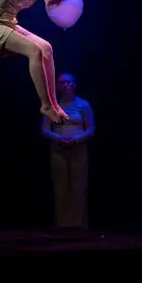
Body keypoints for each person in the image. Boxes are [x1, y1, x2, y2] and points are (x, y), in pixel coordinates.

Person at [41, 73, 95, 229]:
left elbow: (91, 128)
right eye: (62, 83)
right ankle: (62, 226)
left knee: (79, 187)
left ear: (74, 85)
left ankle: (78, 226)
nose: (65, 85)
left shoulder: (83, 105)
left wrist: (76, 140)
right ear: (57, 86)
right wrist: (58, 139)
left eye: (68, 82)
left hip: (78, 149)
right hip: (58, 150)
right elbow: (44, 129)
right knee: (60, 188)